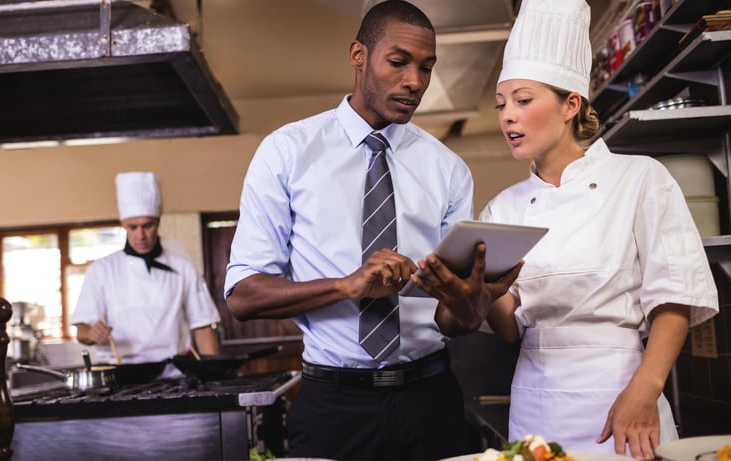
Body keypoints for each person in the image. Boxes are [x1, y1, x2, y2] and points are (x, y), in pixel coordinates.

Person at [223, 1, 520, 459]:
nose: (415, 82)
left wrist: (471, 306)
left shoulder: (448, 170)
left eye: (426, 67)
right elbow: (243, 296)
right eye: (399, 62)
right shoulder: (287, 152)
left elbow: (451, 321)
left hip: (431, 399)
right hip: (332, 405)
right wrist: (347, 285)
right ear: (358, 55)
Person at [481, 0, 720, 459]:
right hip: (534, 401)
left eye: (523, 100)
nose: (507, 115)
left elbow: (674, 296)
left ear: (571, 104)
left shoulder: (639, 178)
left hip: (623, 393)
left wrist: (645, 390)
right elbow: (509, 329)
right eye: (501, 104)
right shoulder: (502, 208)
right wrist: (481, 289)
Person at [72, 171, 220, 373]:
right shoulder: (101, 270)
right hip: (121, 373)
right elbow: (82, 331)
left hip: (173, 372)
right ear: (123, 225)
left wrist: (214, 374)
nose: (140, 235)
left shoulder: (183, 265)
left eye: (147, 226)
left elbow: (202, 326)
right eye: (132, 227)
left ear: (158, 223)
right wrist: (92, 333)